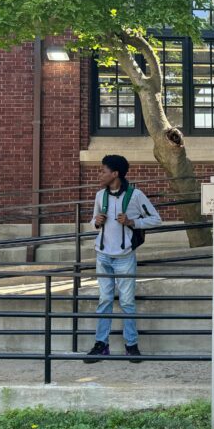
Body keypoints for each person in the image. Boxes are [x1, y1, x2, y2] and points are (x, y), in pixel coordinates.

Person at [85, 155, 162, 363]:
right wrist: (96, 222)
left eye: (103, 171)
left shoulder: (135, 195)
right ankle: (101, 345)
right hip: (102, 255)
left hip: (125, 256)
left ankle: (131, 345)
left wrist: (131, 222)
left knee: (127, 302)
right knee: (104, 300)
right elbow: (92, 222)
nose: (99, 174)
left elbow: (156, 219)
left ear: (115, 174)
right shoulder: (100, 195)